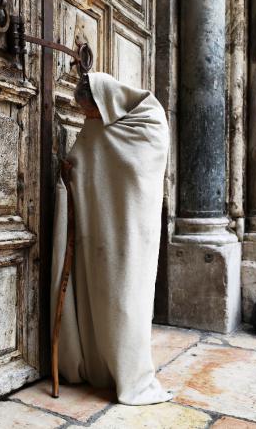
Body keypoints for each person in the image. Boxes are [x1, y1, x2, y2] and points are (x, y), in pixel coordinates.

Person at [50, 72, 172, 405]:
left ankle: (127, 370)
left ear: (107, 101)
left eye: (90, 112)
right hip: (98, 226)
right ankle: (97, 364)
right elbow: (84, 158)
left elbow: (139, 166)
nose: (87, 119)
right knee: (98, 289)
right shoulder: (100, 125)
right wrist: (70, 173)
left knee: (127, 294)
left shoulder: (148, 118)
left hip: (134, 229)